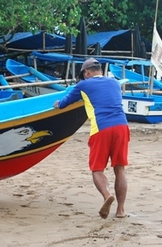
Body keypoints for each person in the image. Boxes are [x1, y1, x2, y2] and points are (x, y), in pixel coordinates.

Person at [53, 58, 130, 219]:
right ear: (100, 71)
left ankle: (106, 195)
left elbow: (65, 103)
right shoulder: (115, 83)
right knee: (119, 169)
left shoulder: (83, 85)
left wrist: (57, 104)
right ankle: (121, 210)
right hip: (122, 126)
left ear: (87, 73)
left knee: (97, 169)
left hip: (101, 128)